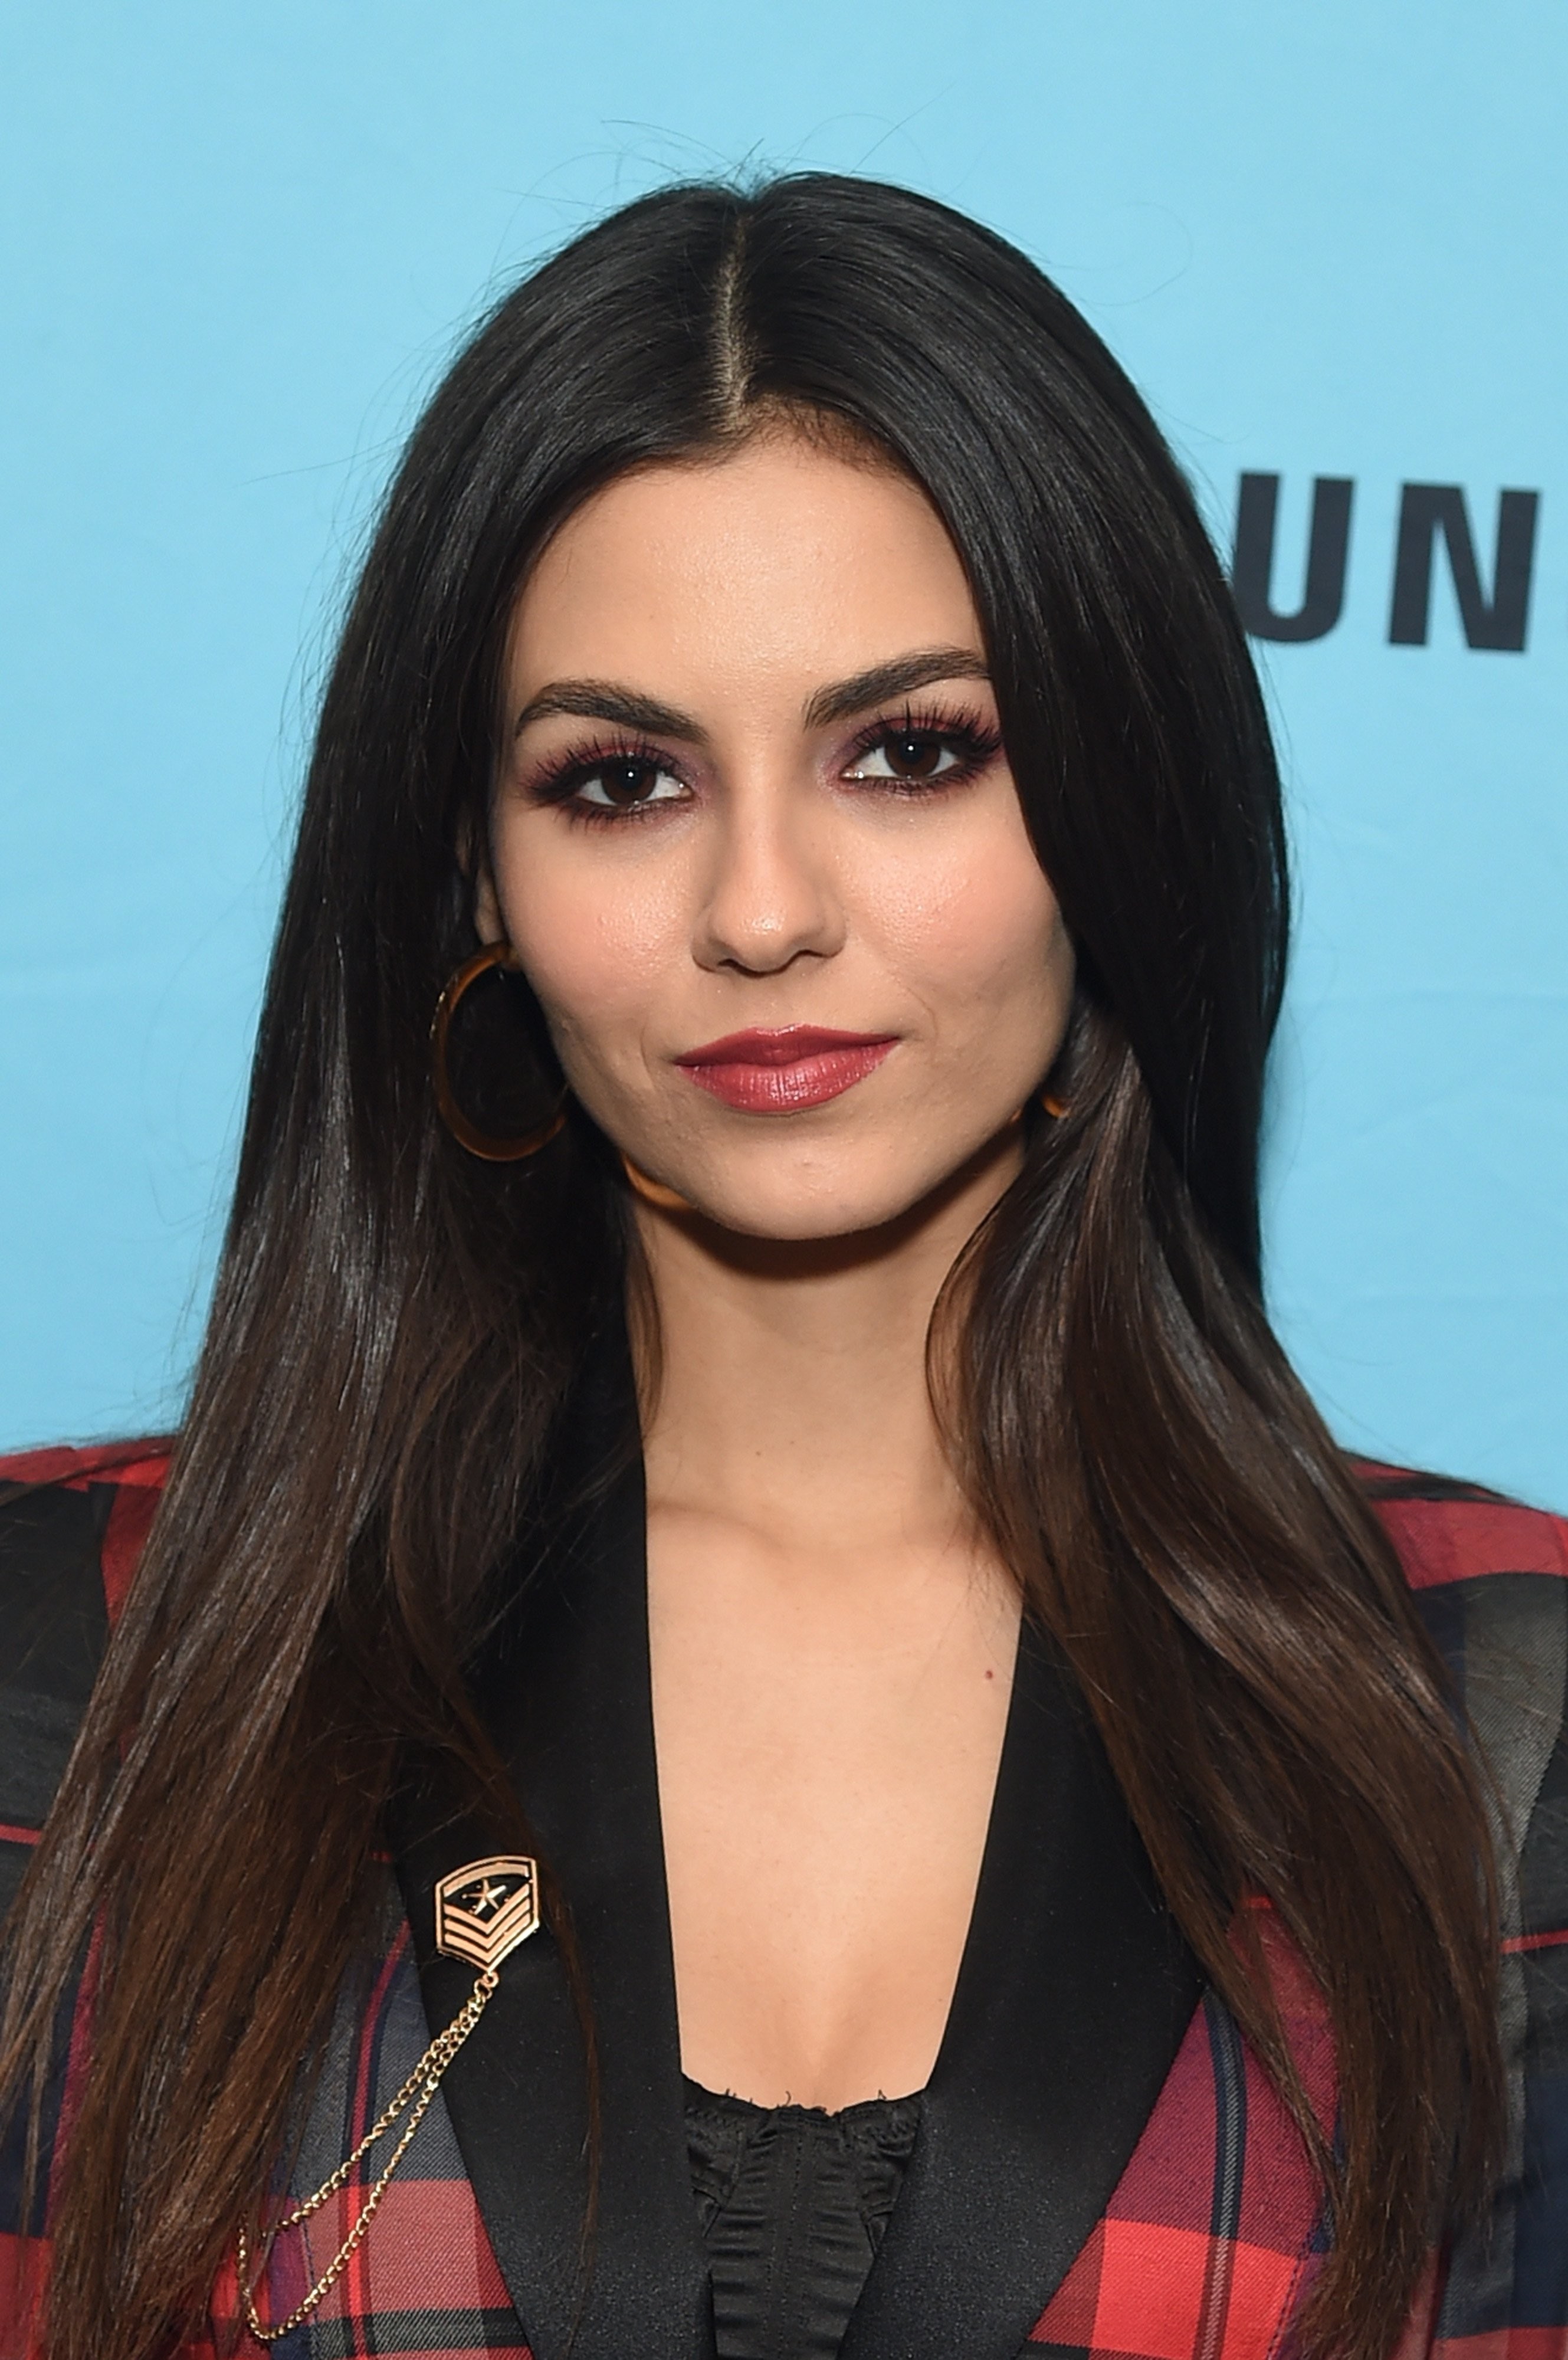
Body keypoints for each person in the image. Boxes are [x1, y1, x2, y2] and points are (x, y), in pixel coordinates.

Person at [1, 172, 1564, 2360]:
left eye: (911, 754)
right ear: (476, 876)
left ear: (1115, 811)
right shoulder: (78, 1652)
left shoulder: (1494, 1706)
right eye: (620, 779)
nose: (760, 910)